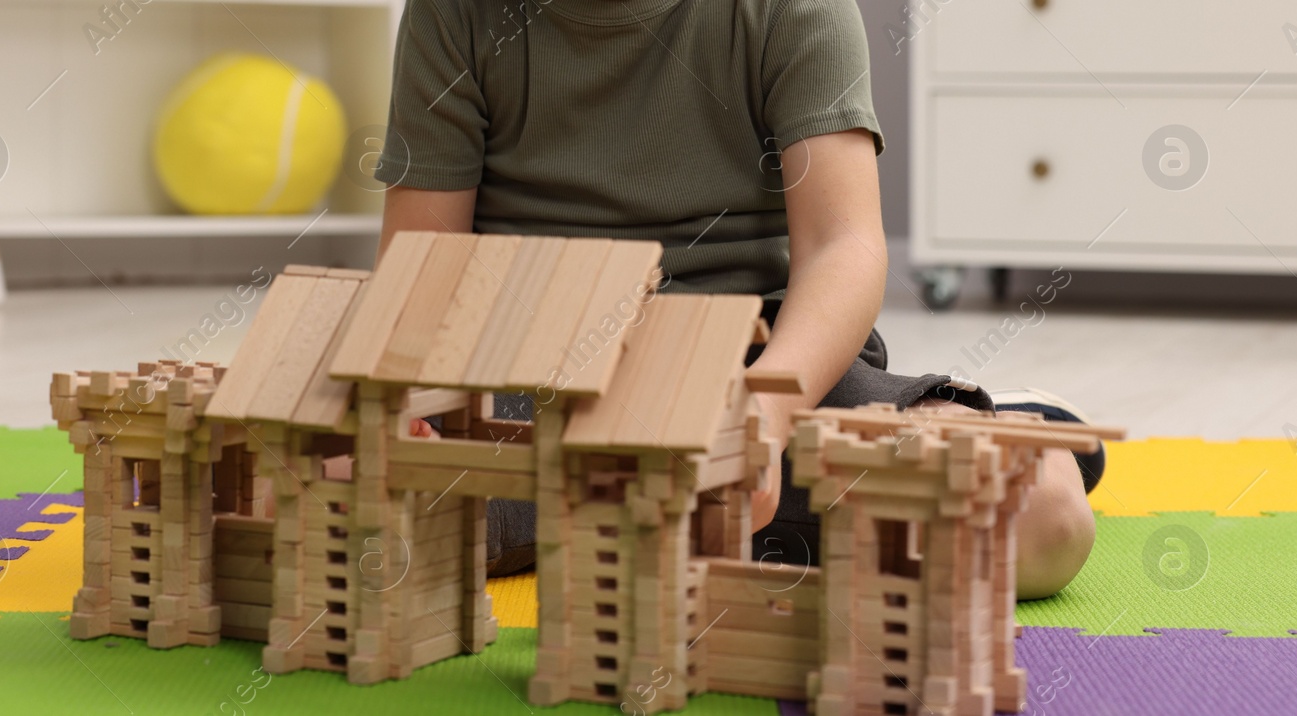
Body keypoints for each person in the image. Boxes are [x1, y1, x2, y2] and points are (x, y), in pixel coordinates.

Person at [371, 0, 1107, 599]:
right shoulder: (453, 15)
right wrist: (410, 422)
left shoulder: (791, 9)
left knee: (1044, 519)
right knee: (341, 525)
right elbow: (424, 275)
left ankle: (971, 415)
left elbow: (842, 247)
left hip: (757, 367)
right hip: (537, 384)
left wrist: (760, 421)